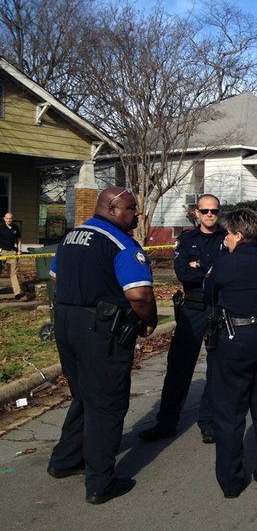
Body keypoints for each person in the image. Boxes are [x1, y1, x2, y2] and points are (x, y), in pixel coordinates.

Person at [47, 187, 157, 505]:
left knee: (83, 395)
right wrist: (148, 322)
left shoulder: (72, 237)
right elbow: (140, 295)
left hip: (66, 323)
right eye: (131, 208)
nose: (137, 213)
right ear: (111, 208)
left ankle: (64, 460)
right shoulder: (122, 244)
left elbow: (55, 277)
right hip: (100, 328)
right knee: (107, 404)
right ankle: (100, 482)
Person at [204, 209, 257, 497]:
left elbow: (210, 293)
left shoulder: (224, 264)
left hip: (235, 339)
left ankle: (231, 482)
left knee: (230, 412)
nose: (225, 240)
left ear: (238, 235)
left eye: (228, 234)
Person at [139, 194, 226, 444]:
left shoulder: (227, 238)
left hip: (219, 309)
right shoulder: (186, 239)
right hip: (193, 311)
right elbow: (183, 273)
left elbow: (228, 273)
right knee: (179, 367)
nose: (210, 215)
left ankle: (208, 422)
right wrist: (209, 271)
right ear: (196, 213)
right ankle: (166, 423)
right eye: (205, 211)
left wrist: (201, 267)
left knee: (217, 368)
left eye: (214, 211)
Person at [0, 212, 25, 300]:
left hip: (11, 252)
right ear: (4, 219)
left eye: (10, 218)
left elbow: (19, 240)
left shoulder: (15, 227)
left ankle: (17, 293)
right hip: (2, 252)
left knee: (13, 273)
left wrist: (19, 250)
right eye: (7, 218)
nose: (9, 220)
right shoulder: (1, 227)